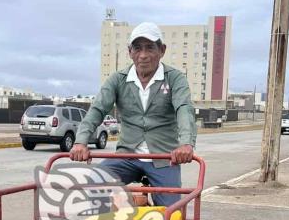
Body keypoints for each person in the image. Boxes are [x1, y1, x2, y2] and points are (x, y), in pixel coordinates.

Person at [70, 22, 197, 207]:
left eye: (150, 48)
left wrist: (186, 144)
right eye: (137, 48)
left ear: (162, 50)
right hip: (127, 155)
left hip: (163, 158)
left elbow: (184, 109)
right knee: (95, 183)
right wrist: (81, 141)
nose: (143, 55)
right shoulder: (118, 79)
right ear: (130, 51)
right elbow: (97, 110)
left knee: (172, 213)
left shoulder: (175, 78)